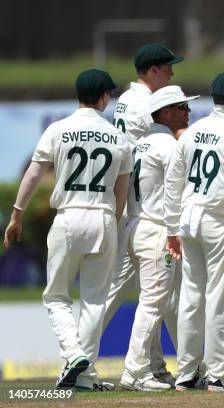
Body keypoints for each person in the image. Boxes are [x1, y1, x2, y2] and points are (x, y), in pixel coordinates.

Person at [3, 69, 132, 390]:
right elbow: (121, 192)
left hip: (68, 217)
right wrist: (113, 225)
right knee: (94, 301)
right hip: (103, 218)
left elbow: (34, 173)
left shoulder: (57, 129)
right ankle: (84, 372)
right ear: (103, 96)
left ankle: (75, 357)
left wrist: (17, 213)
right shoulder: (119, 136)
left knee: (57, 296)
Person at [165, 71, 224, 393]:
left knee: (191, 298)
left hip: (189, 220)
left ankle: (187, 373)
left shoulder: (191, 132)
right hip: (218, 222)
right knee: (217, 299)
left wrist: (171, 228)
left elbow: (173, 182)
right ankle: (219, 374)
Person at [104, 43, 184, 386]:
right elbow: (167, 146)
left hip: (132, 208)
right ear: (153, 70)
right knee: (150, 297)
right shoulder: (144, 106)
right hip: (147, 211)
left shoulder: (126, 99)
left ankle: (153, 366)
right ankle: (134, 367)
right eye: (168, 69)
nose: (171, 75)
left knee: (145, 294)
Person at [118, 85, 198, 391]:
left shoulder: (137, 144)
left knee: (151, 303)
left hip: (136, 226)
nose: (187, 112)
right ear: (164, 112)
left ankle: (154, 368)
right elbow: (176, 195)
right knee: (154, 304)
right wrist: (174, 233)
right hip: (156, 230)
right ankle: (134, 372)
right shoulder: (168, 145)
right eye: (181, 107)